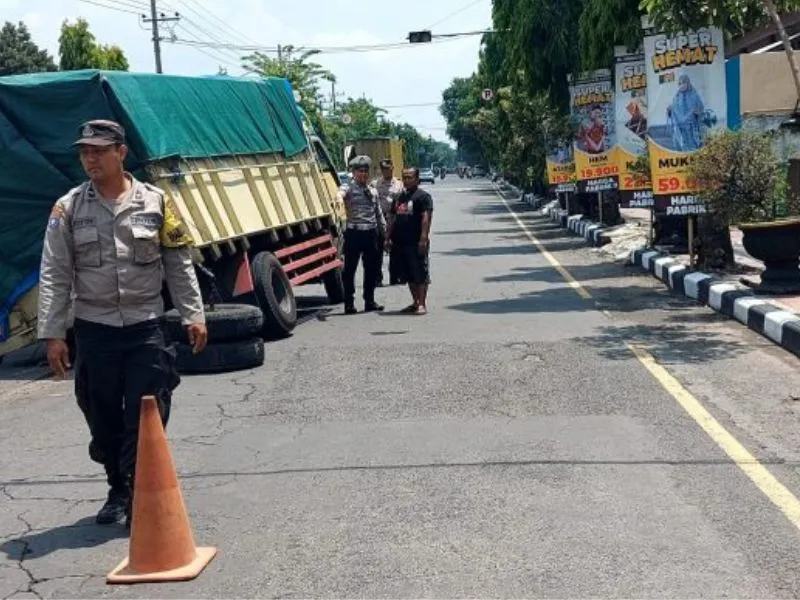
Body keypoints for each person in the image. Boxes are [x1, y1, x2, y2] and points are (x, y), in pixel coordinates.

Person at [38, 119, 207, 527]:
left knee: (148, 412)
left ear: (121, 153)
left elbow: (178, 262)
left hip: (145, 325)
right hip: (95, 329)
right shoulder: (68, 208)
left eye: (98, 150)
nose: (90, 158)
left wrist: (193, 313)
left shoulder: (157, 202)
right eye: (84, 152)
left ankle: (137, 487)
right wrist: (54, 333)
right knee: (102, 416)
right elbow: (55, 271)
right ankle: (117, 485)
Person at [337, 155, 386, 315]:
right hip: (354, 233)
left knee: (371, 269)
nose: (363, 174)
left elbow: (378, 213)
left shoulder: (372, 190)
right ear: (353, 172)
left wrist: (384, 233)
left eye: (365, 171)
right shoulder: (349, 188)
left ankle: (369, 300)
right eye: (359, 171)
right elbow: (340, 194)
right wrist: (338, 198)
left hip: (371, 233)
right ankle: (349, 303)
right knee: (349, 269)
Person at [386, 167, 433, 315]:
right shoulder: (399, 197)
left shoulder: (423, 197)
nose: (406, 180)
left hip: (416, 241)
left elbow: (426, 218)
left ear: (417, 179)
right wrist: (387, 237)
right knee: (408, 274)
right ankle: (415, 302)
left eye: (410, 177)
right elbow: (392, 218)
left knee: (420, 272)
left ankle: (422, 304)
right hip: (400, 242)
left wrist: (423, 239)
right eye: (404, 177)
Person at [371, 158, 404, 286]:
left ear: (392, 169)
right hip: (379, 219)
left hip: (394, 219)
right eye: (384, 169)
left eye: (388, 169)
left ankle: (395, 277)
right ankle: (377, 278)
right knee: (377, 251)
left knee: (396, 250)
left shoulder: (399, 184)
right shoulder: (375, 184)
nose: (386, 171)